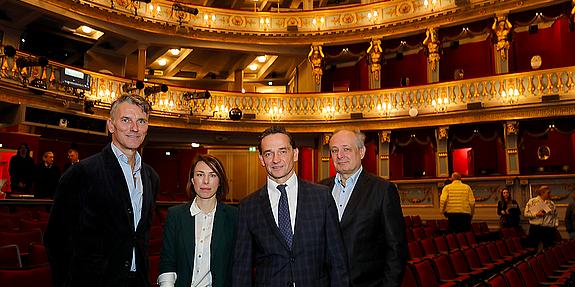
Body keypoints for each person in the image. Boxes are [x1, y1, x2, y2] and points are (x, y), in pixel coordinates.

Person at [44, 94, 160, 287]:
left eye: (141, 121)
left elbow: (140, 236)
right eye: (126, 120)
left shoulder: (151, 177)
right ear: (111, 125)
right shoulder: (82, 173)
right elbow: (56, 240)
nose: (135, 128)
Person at [233, 126, 348, 287]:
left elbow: (337, 259)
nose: (275, 159)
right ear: (261, 159)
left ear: (295, 154)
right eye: (268, 153)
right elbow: (241, 267)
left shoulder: (322, 197)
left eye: (282, 151)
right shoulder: (248, 206)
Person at [324, 129, 407, 287]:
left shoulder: (383, 190)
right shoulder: (320, 189)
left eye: (346, 149)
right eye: (334, 150)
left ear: (361, 152)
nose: (340, 155)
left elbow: (396, 248)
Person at [158, 154, 237, 287]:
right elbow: (167, 261)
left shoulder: (234, 216)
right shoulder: (175, 215)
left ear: (220, 182)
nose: (205, 181)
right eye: (200, 174)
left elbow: (238, 265)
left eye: (212, 175)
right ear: (192, 180)